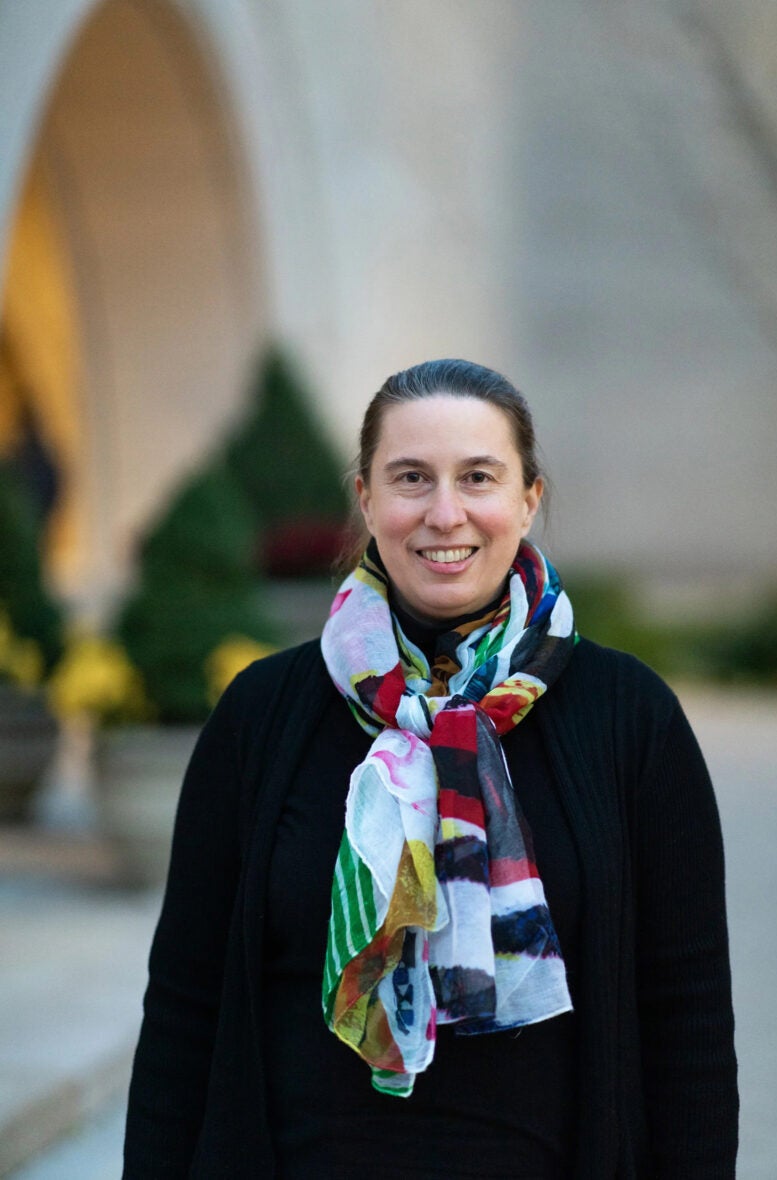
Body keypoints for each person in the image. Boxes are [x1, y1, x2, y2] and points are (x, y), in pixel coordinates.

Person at [123, 359, 738, 1178]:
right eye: (411, 477)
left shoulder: (631, 717)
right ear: (366, 498)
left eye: (478, 477)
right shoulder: (260, 716)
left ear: (529, 499)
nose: (444, 514)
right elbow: (184, 1010)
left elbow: (686, 1018)